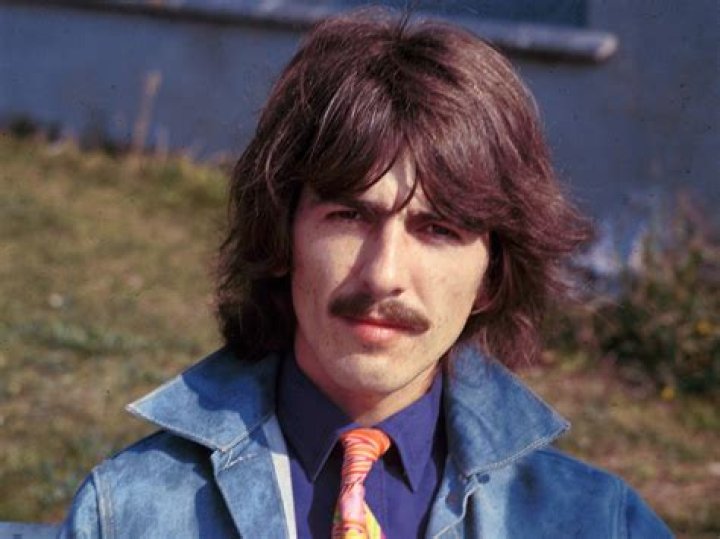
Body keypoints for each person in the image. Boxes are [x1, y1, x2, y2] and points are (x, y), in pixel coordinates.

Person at [61, 9, 672, 538]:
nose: (384, 276)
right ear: (283, 233)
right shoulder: (125, 513)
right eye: (350, 216)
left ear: (492, 274)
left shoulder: (599, 522)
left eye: (439, 230)